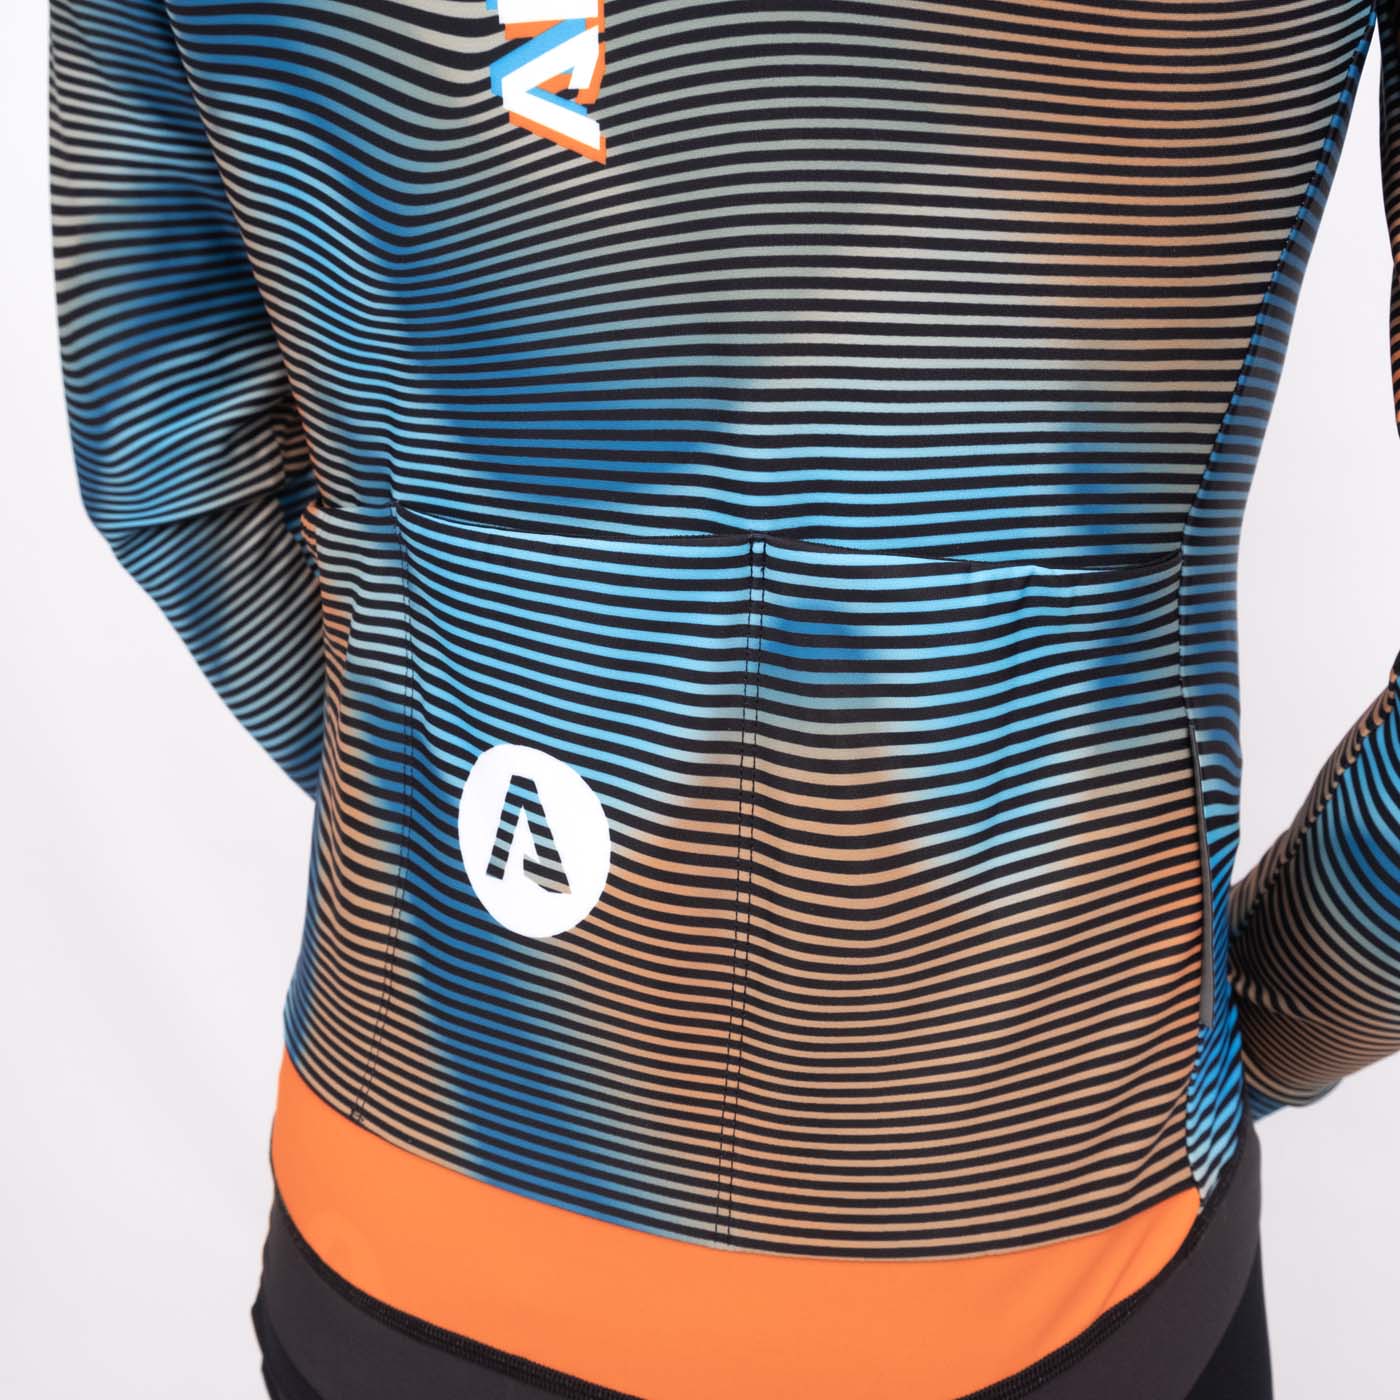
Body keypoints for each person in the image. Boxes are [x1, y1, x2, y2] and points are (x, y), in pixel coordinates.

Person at [49, 0, 1400, 1396]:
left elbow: (165, 464)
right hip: (1051, 1210)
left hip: (420, 1177)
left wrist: (477, 811)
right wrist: (1261, 1020)